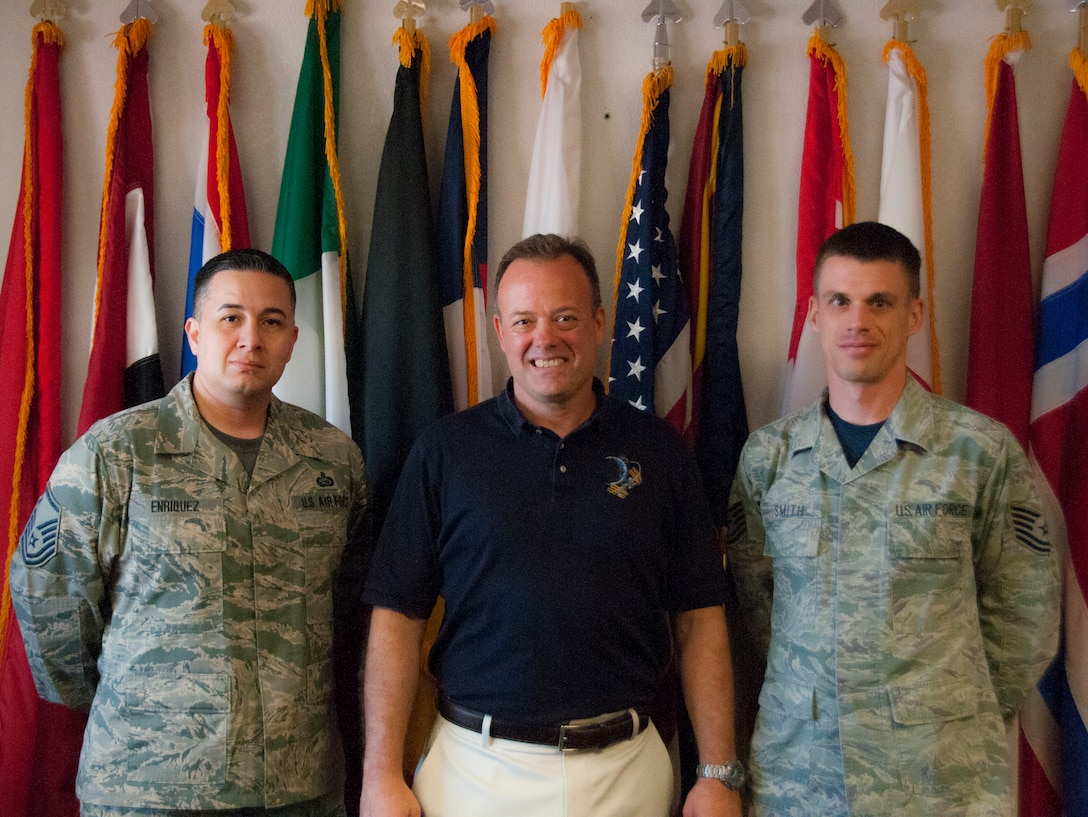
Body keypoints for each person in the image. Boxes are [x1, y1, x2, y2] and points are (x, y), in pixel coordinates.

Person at [359, 234, 744, 817]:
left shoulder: (660, 453)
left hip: (628, 772)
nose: (545, 338)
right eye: (524, 321)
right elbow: (397, 620)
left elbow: (699, 622)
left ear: (597, 322)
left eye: (565, 317)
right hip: (475, 773)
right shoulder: (444, 453)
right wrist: (380, 773)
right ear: (498, 331)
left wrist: (717, 773)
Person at [11, 249, 368, 817]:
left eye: (271, 321)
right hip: (148, 784)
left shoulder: (332, 458)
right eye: (231, 318)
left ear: (293, 339)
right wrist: (128, 706)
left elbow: (349, 601)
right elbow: (49, 598)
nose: (251, 338)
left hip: (297, 782)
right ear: (195, 333)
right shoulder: (118, 451)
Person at [728, 221, 1060, 817]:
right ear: (814, 314)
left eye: (880, 301)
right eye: (840, 301)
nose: (858, 321)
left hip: (940, 777)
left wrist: (944, 706)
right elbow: (759, 606)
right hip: (800, 775)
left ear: (914, 315)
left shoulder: (979, 451)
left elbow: (1024, 612)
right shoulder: (768, 458)